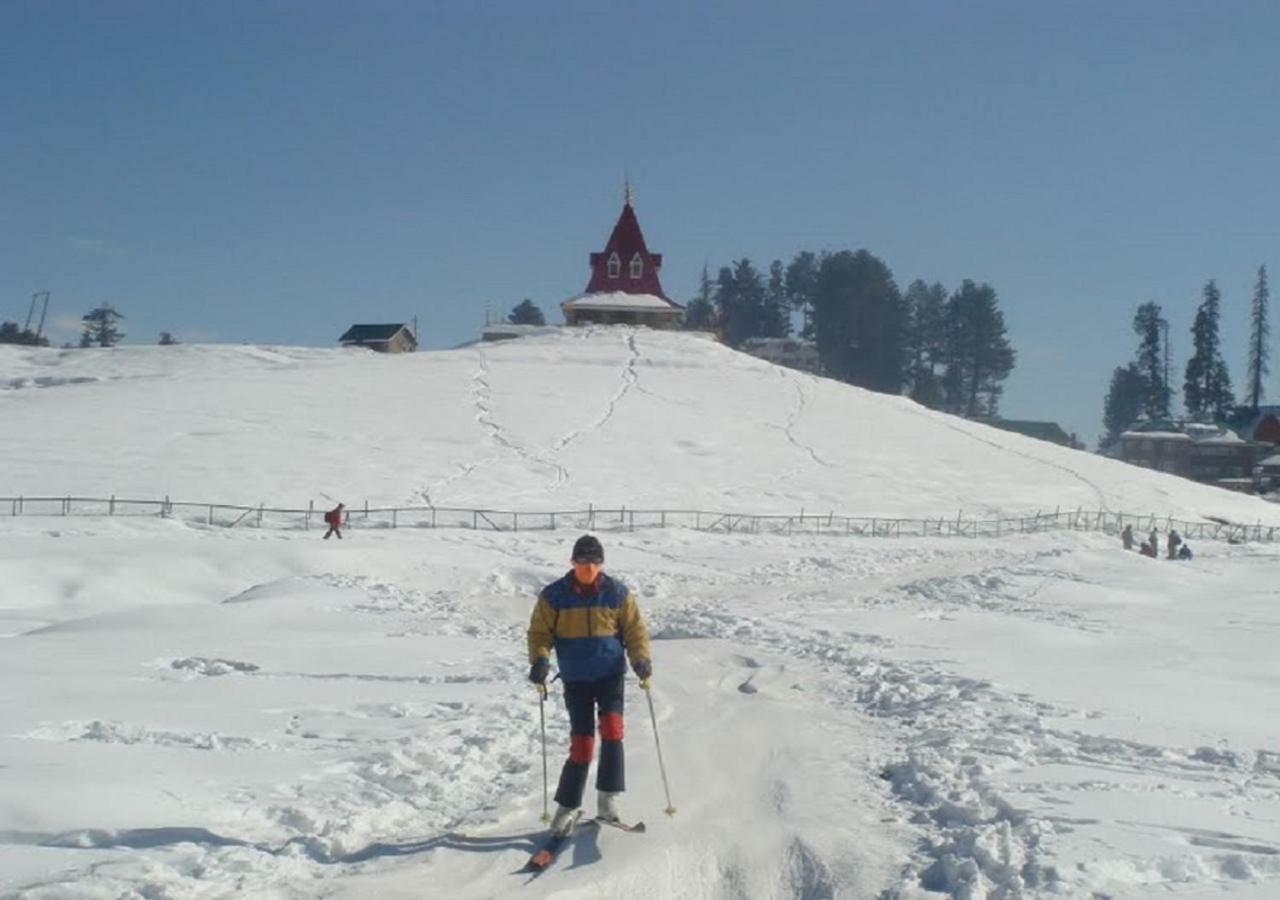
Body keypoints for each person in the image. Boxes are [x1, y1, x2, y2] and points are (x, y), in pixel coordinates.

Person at [527, 534, 652, 834]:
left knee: (612, 732)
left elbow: (635, 632)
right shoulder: (554, 596)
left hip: (609, 676)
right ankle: (567, 808)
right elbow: (539, 633)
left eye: (595, 561)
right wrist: (540, 660)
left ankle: (608, 802)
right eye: (583, 561)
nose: (589, 567)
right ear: (573, 562)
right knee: (582, 744)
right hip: (576, 679)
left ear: (602, 563)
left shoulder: (617, 594)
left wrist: (641, 660)